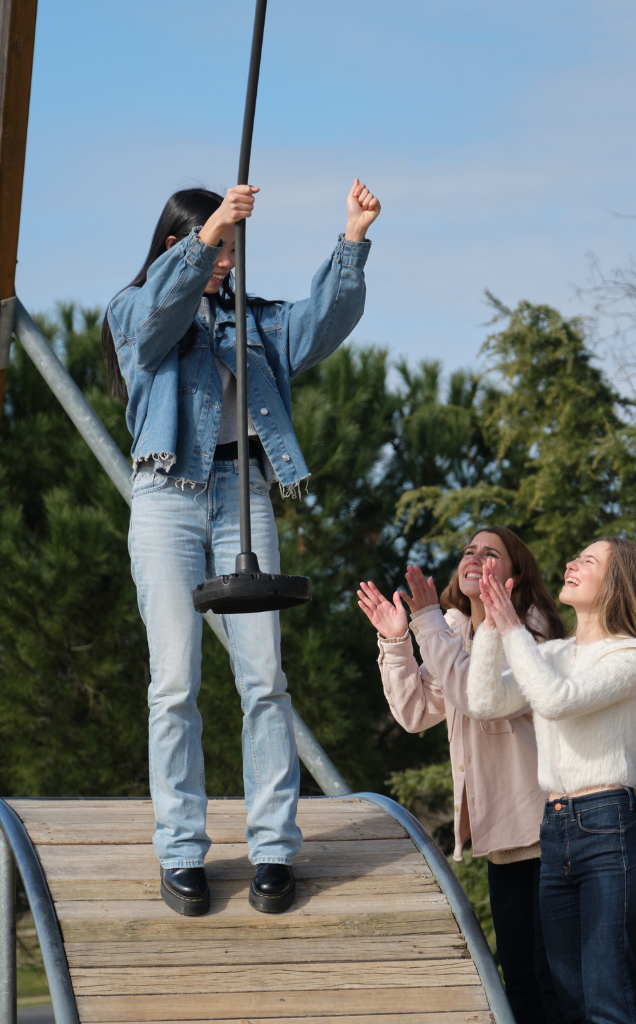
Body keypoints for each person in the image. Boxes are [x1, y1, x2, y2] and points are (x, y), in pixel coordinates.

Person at [102, 177, 380, 916]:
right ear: (176, 244)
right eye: (218, 246)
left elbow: (324, 319)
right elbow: (163, 315)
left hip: (245, 503)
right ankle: (183, 850)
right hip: (167, 499)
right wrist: (208, 234)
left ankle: (273, 849)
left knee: (264, 680)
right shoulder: (133, 311)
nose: (227, 258)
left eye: (233, 246)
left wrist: (351, 240)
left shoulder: (255, 323)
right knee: (175, 683)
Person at [357, 526, 567, 1024]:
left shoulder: (532, 631)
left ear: (516, 575)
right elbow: (413, 711)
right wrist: (396, 640)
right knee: (519, 979)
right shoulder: (453, 633)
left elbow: (481, 697)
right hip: (504, 839)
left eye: (491, 553)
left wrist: (427, 622)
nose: (474, 557)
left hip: (547, 829)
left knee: (550, 978)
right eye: (469, 550)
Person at [466, 537, 636, 1024]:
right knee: (568, 1004)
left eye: (589, 561)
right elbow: (486, 703)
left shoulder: (633, 656)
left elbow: (555, 700)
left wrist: (513, 629)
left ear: (616, 583)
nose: (572, 563)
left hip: (609, 830)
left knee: (606, 1000)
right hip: (554, 831)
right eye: (575, 556)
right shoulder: (552, 653)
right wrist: (492, 629)